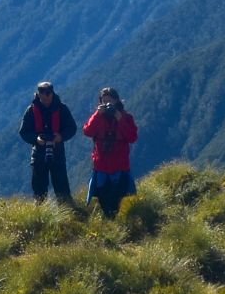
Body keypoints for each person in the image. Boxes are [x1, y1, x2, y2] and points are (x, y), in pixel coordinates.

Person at [81, 87, 138, 217]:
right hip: (101, 167)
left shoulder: (126, 117)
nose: (106, 105)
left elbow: (132, 137)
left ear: (116, 100)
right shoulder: (98, 117)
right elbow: (87, 132)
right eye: (103, 102)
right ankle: (110, 221)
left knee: (118, 197)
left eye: (109, 102)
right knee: (103, 198)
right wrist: (97, 115)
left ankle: (116, 220)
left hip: (120, 167)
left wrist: (120, 120)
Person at [18, 81, 77, 204]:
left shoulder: (61, 109)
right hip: (39, 153)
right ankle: (41, 213)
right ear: (38, 95)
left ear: (52, 93)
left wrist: (60, 137)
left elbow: (72, 128)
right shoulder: (31, 110)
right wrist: (36, 139)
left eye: (48, 95)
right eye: (43, 96)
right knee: (39, 190)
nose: (46, 99)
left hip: (57, 153)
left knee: (62, 188)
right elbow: (24, 132)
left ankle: (67, 212)